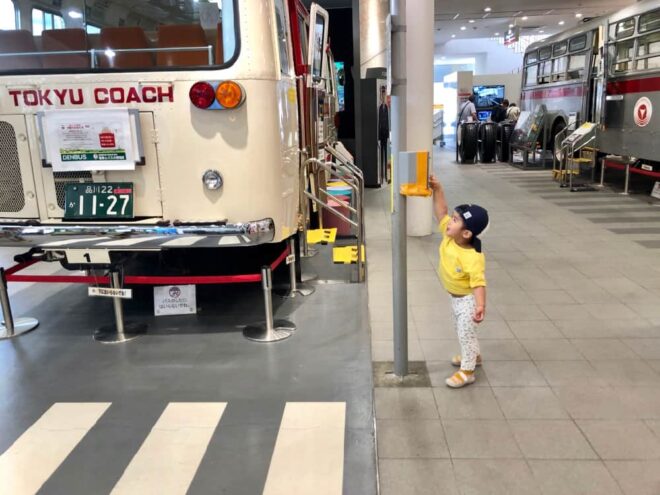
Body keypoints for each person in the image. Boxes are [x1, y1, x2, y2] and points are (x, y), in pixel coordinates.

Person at [429, 173, 489, 388]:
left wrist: (480, 306)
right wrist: (438, 189)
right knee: (464, 332)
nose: (449, 221)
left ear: (466, 234)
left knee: (465, 334)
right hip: (455, 298)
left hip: (468, 301)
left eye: (455, 220)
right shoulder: (450, 236)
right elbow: (441, 211)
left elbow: (478, 283)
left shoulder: (472, 257)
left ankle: (467, 372)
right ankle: (475, 356)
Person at [378, 86, 390, 184]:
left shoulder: (386, 107)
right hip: (380, 135)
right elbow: (379, 122)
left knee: (386, 155)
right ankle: (381, 176)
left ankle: (386, 176)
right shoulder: (379, 108)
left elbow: (387, 121)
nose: (383, 96)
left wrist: (388, 135)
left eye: (384, 94)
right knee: (381, 155)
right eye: (382, 94)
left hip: (385, 134)